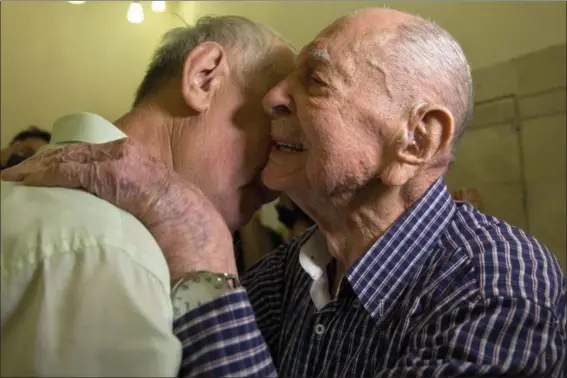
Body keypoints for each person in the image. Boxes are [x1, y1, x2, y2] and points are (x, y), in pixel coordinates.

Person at [3, 7, 566, 378]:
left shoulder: (500, 282)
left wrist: (198, 244)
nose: (272, 98)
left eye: (314, 80)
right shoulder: (279, 279)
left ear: (417, 139)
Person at [0, 15, 294, 377]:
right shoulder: (113, 254)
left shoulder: (36, 204)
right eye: (275, 123)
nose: (277, 180)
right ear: (204, 77)